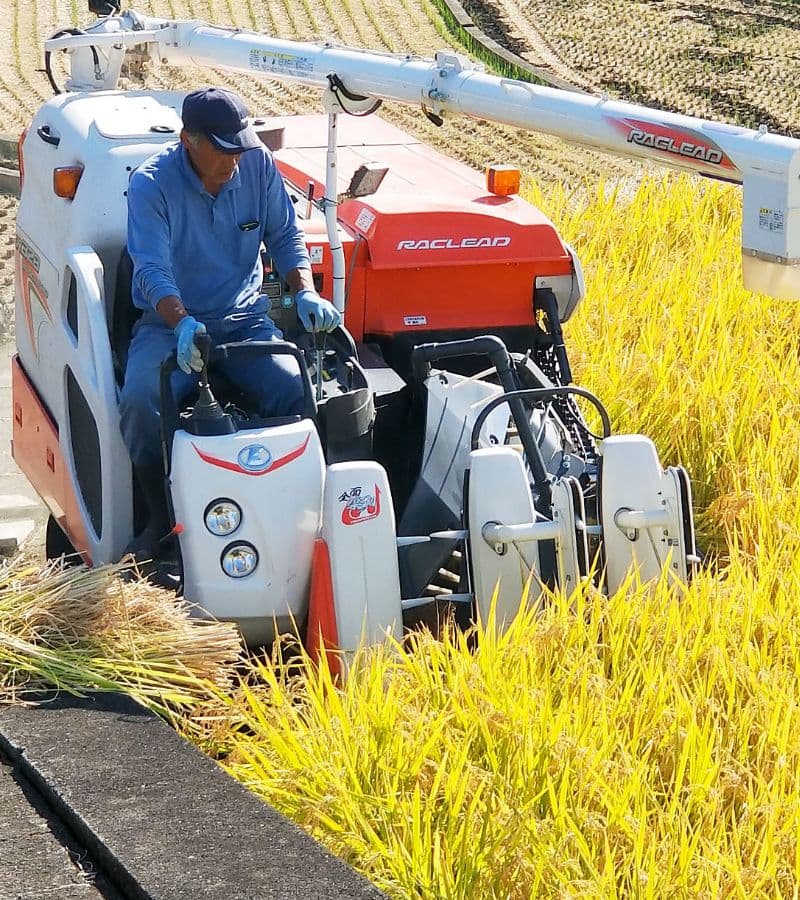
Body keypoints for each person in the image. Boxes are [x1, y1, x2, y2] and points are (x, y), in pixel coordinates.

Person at [119, 87, 341, 559]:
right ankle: (160, 519)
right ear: (188, 140)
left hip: (244, 321)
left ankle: (301, 517)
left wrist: (305, 291)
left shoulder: (256, 164)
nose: (234, 160)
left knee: (298, 391)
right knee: (141, 404)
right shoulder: (151, 184)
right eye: (223, 149)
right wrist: (181, 324)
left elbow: (284, 235)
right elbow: (152, 270)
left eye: (240, 146)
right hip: (170, 327)